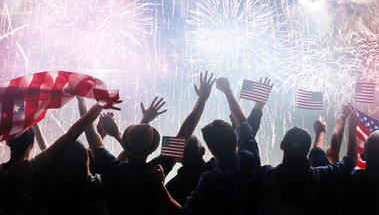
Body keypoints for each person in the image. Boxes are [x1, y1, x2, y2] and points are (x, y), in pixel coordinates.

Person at [85, 71, 215, 214]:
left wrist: (84, 101)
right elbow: (184, 133)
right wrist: (202, 98)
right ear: (152, 149)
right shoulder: (156, 170)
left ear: (126, 145)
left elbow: (91, 134)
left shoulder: (111, 167)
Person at [152, 77, 261, 214]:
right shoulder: (250, 159)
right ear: (204, 150)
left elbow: (182, 135)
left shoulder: (205, 180)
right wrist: (228, 91)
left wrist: (160, 186)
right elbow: (245, 129)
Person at [0, 100, 114, 214]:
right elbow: (71, 135)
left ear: (7, 143)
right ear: (32, 144)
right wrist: (98, 105)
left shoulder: (4, 172)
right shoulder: (34, 169)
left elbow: (66, 139)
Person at [258, 109, 358, 215]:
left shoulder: (264, 175)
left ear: (282, 145)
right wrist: (352, 127)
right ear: (307, 152)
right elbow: (349, 162)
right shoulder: (320, 177)